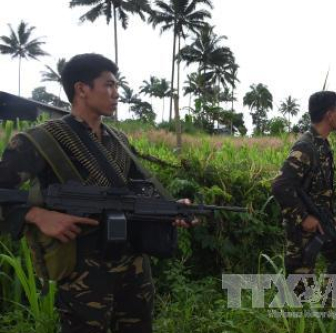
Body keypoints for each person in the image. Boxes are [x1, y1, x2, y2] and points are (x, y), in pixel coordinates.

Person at [0, 53, 195, 333]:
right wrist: (36, 214)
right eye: (109, 85)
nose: (117, 94)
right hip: (82, 274)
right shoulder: (40, 141)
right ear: (82, 89)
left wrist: (170, 208)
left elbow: (135, 193)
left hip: (134, 269)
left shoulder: (119, 140)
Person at [271, 91, 336, 282]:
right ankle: (303, 311)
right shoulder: (305, 147)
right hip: (302, 227)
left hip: (324, 218)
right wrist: (304, 218)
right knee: (300, 286)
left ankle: (326, 309)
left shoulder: (322, 144)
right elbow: (280, 186)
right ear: (329, 114)